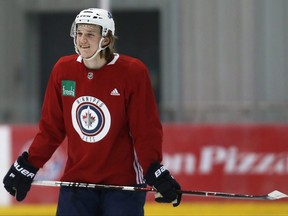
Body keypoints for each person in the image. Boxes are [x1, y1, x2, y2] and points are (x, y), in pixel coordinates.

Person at [3, 8, 181, 216]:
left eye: (90, 34)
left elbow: (145, 130)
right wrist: (28, 165)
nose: (82, 40)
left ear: (106, 39)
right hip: (76, 184)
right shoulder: (63, 70)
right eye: (79, 33)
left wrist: (153, 170)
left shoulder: (133, 72)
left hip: (122, 186)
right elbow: (51, 128)